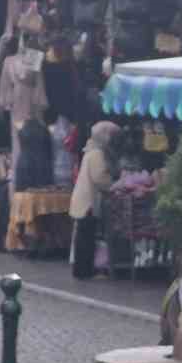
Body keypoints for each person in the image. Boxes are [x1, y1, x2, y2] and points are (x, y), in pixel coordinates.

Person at [69, 119, 118, 279]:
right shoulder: (97, 154)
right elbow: (99, 178)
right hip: (88, 201)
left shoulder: (90, 151)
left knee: (84, 237)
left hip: (83, 199)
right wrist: (114, 183)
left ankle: (82, 270)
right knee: (86, 238)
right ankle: (85, 271)